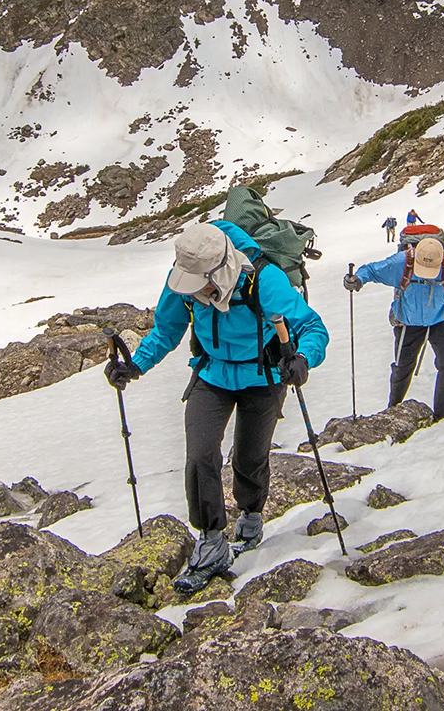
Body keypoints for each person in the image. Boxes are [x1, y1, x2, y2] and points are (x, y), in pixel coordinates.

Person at [104, 221, 329, 595]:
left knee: (249, 456)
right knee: (201, 455)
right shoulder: (185, 281)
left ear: (221, 272)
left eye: (203, 287)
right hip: (210, 375)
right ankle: (212, 542)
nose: (198, 295)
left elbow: (312, 326)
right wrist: (135, 365)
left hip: (264, 377)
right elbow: (166, 330)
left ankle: (251, 518)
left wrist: (304, 357)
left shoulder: (265, 281)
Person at [343, 235, 444, 420]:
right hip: (409, 320)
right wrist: (358, 279)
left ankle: (442, 415)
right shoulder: (401, 262)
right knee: (402, 367)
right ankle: (393, 411)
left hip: (441, 318)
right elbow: (371, 270)